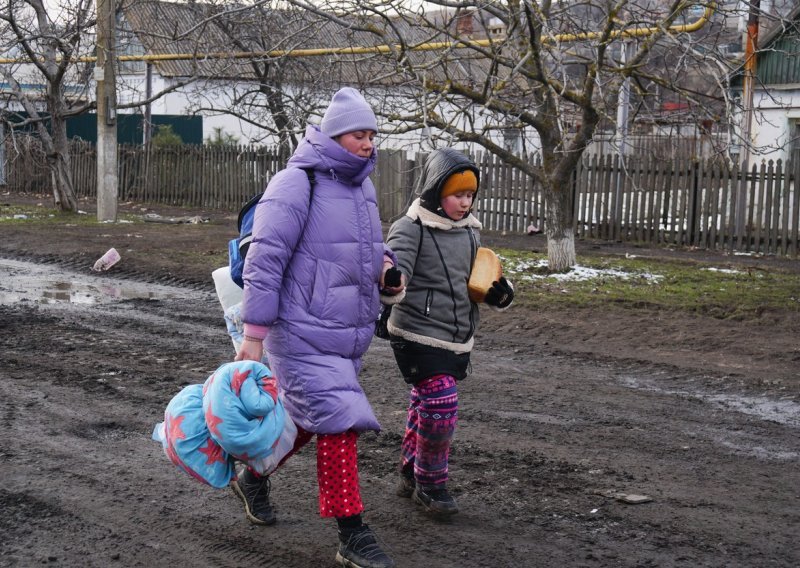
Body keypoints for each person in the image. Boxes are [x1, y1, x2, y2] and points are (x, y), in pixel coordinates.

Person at [233, 87, 404, 568]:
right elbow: (265, 262)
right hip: (300, 331)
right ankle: (352, 533)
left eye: (372, 134)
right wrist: (253, 337)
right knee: (339, 424)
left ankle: (253, 476)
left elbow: (367, 249)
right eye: (359, 134)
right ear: (333, 136)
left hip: (344, 335)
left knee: (307, 423)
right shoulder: (294, 183)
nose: (369, 143)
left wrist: (388, 272)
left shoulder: (362, 187)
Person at [384, 147, 514, 518]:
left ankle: (409, 471)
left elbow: (480, 277)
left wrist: (500, 292)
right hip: (415, 333)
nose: (465, 202)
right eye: (458, 194)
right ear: (437, 191)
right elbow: (396, 263)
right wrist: (392, 279)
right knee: (442, 404)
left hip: (456, 335)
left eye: (470, 195)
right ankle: (430, 482)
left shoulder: (470, 231)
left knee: (424, 403)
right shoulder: (411, 226)